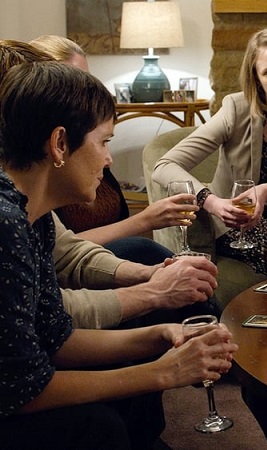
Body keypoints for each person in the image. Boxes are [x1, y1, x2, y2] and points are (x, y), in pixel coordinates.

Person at [0, 60, 238, 449]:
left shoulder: (33, 216)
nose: (109, 159)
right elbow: (23, 389)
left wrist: (160, 336)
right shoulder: (6, 224)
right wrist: (163, 372)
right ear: (60, 144)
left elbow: (57, 338)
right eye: (104, 141)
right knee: (97, 426)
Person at [0, 39, 220, 329]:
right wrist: (154, 292)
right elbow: (47, 318)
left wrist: (152, 276)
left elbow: (67, 254)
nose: (108, 158)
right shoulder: (14, 210)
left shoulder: (32, 202)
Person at [153, 28, 267, 280]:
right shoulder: (236, 109)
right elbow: (165, 165)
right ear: (256, 79)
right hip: (238, 223)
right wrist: (212, 202)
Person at [31, 35, 194, 267]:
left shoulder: (90, 154)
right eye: (71, 84)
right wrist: (144, 220)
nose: (85, 94)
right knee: (142, 250)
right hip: (80, 269)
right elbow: (57, 251)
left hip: (107, 264)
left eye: (87, 82)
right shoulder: (39, 170)